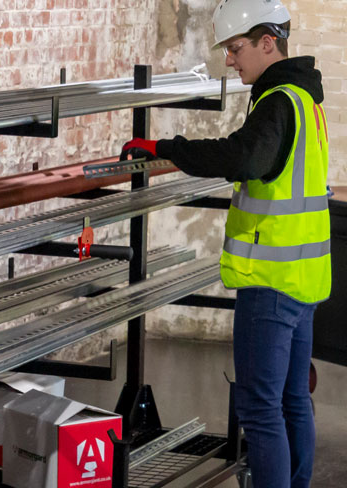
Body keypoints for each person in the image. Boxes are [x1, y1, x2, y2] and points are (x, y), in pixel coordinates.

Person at [120, 1, 331, 487]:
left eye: (236, 49)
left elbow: (243, 158)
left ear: (267, 43)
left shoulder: (279, 99)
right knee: (293, 400)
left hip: (271, 283)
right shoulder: (307, 101)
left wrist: (167, 149)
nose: (230, 60)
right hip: (305, 279)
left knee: (260, 410)